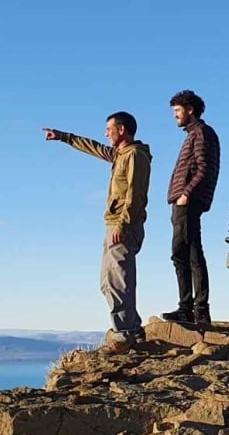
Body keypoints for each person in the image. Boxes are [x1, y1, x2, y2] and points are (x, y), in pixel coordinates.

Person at [43, 113, 152, 351]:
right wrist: (63, 137)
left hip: (123, 225)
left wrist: (122, 224)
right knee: (107, 281)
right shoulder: (120, 154)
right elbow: (94, 148)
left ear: (121, 130)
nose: (106, 133)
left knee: (118, 279)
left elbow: (135, 194)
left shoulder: (135, 155)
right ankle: (134, 329)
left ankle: (125, 332)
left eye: (109, 129)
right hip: (114, 224)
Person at [161, 89, 221, 329]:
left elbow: (204, 168)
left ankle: (195, 310)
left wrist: (186, 193)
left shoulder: (201, 133)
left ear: (190, 110)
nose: (175, 115)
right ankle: (190, 309)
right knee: (186, 253)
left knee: (187, 254)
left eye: (177, 110)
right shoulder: (195, 134)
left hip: (187, 201)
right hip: (183, 201)